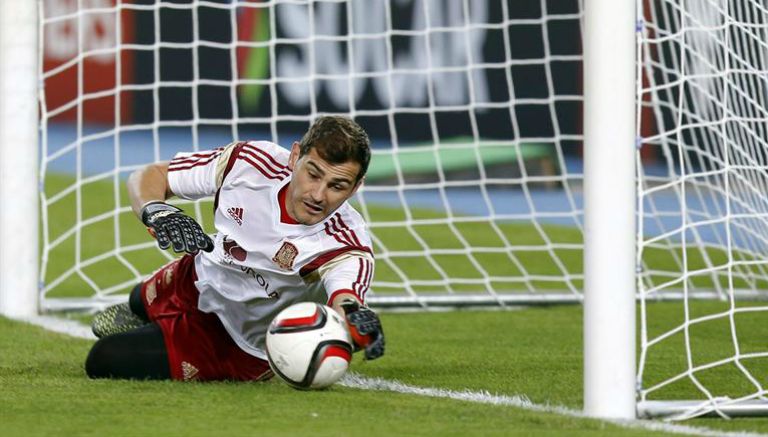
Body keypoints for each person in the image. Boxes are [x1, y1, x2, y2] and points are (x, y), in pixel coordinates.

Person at [85, 116, 384, 381]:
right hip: (196, 277)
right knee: (136, 299)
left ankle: (163, 329)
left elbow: (346, 300)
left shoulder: (346, 243)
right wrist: (157, 211)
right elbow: (152, 175)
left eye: (337, 185)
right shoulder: (249, 163)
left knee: (103, 358)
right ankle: (152, 313)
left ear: (356, 187)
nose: (318, 195)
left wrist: (356, 323)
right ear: (295, 158)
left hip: (233, 340)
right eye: (314, 174)